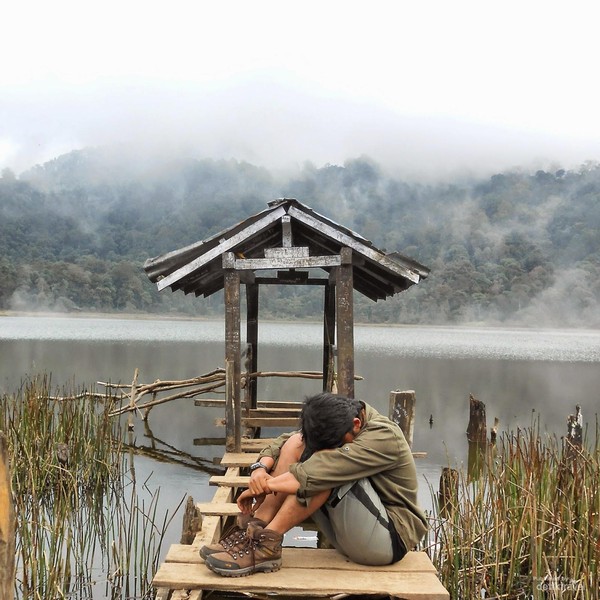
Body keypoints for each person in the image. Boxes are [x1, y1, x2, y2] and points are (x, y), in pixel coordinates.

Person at [201, 392, 428, 577]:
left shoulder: (385, 437)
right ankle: (254, 529)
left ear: (357, 424)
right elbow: (286, 440)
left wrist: (265, 487)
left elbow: (319, 470)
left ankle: (266, 543)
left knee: (326, 469)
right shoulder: (345, 419)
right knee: (297, 443)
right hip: (354, 533)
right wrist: (260, 468)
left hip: (387, 541)